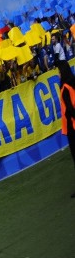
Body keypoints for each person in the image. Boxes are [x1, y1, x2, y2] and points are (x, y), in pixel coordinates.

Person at [56, 60, 75, 197]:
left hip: (72, 127)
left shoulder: (64, 88)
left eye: (58, 72)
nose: (57, 75)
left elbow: (70, 109)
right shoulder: (73, 81)